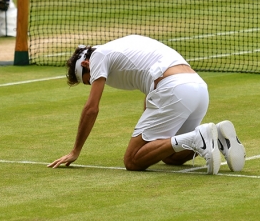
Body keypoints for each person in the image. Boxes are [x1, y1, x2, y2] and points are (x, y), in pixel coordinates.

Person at [49, 35, 244, 173]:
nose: (94, 82)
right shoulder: (124, 44)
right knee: (168, 156)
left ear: (85, 65)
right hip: (199, 89)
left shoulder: (98, 56)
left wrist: (75, 151)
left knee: (133, 160)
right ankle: (218, 139)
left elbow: (91, 108)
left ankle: (197, 137)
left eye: (88, 79)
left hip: (174, 89)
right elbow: (150, 87)